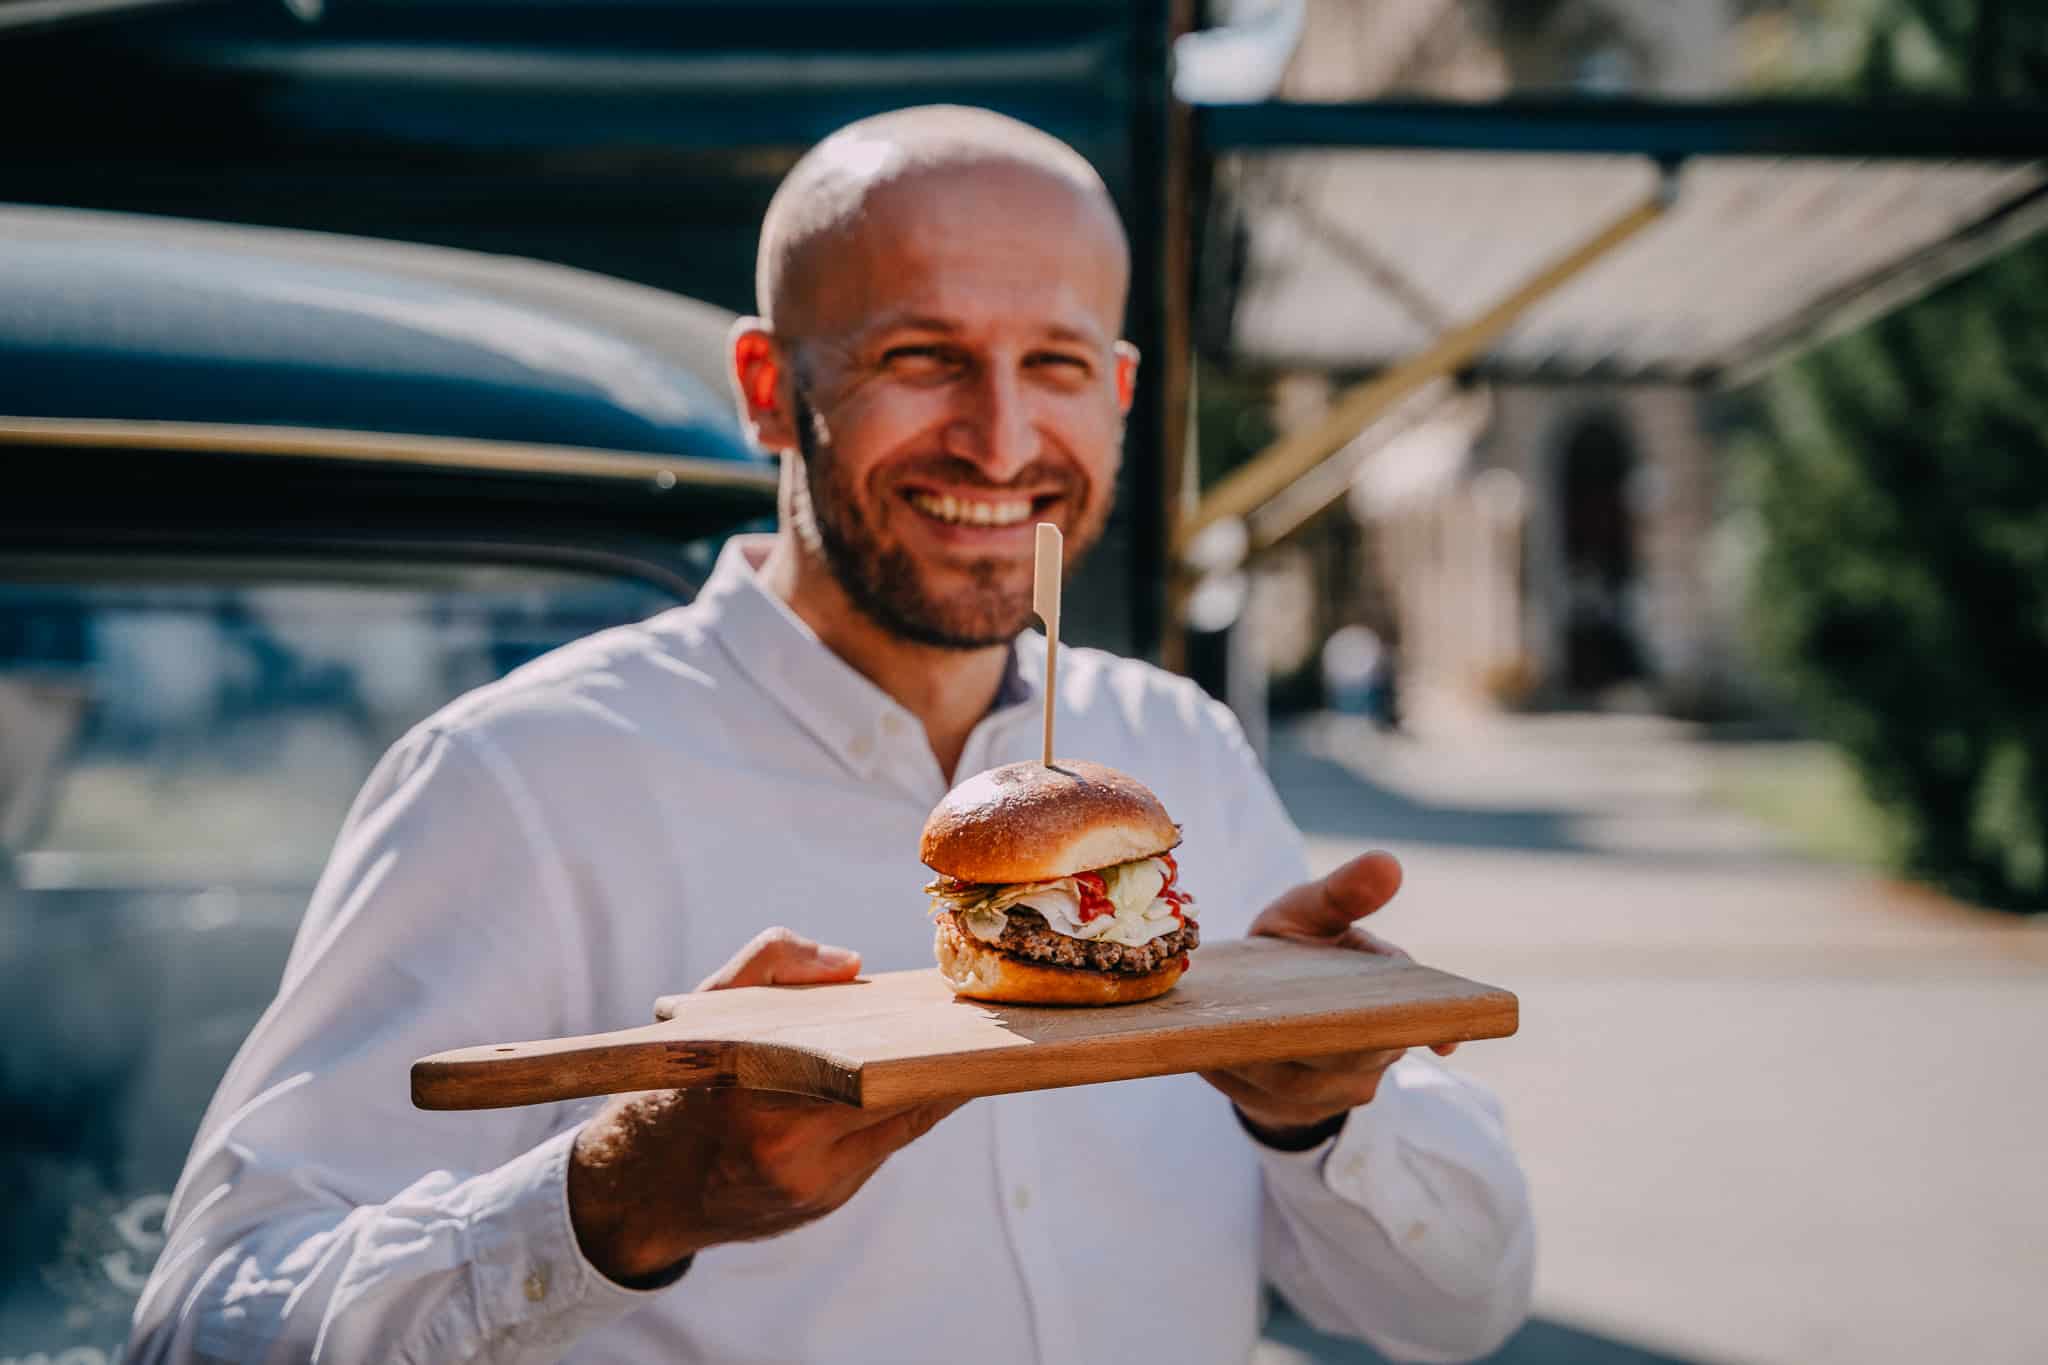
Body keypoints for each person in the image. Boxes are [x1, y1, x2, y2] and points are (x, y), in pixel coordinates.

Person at [128, 106, 1533, 1364]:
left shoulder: (1177, 750)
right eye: (920, 358)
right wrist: (623, 1195)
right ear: (764, 389)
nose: (997, 441)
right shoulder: (522, 779)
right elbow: (203, 1320)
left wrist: (1320, 1115)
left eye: (1051, 363)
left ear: (1115, 397)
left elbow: (1459, 1310)